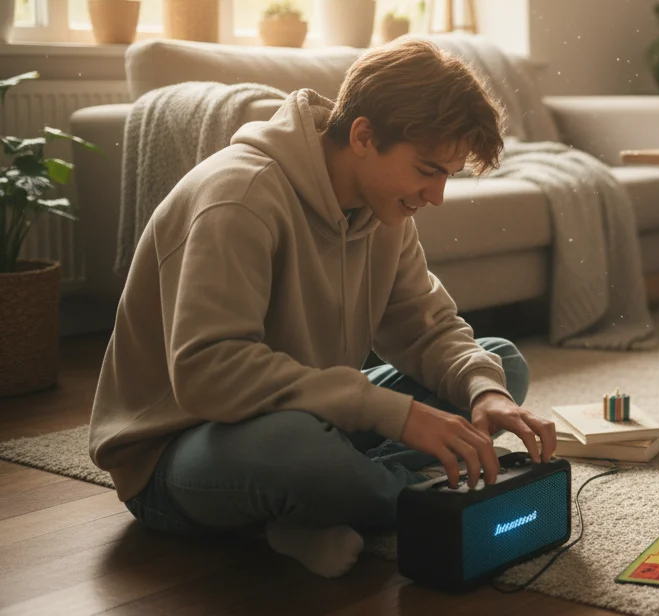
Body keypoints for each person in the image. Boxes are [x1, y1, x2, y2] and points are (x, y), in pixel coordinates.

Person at [88, 38, 558, 578]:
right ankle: (413, 494)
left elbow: (427, 327)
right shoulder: (239, 197)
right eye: (428, 169)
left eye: (447, 175)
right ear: (363, 135)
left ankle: (328, 504)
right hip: (178, 447)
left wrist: (487, 392)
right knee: (298, 451)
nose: (436, 196)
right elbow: (208, 374)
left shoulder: (387, 213)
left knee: (499, 364)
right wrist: (397, 416)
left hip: (311, 413)